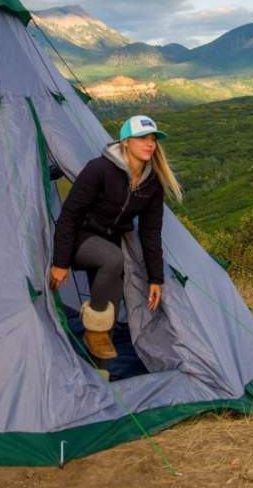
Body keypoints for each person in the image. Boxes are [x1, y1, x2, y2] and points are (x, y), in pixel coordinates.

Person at [49, 115, 183, 361]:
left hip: (110, 242)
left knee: (111, 298)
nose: (150, 143)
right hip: (80, 237)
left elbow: (150, 232)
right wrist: (60, 262)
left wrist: (156, 278)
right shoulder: (99, 169)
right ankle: (97, 335)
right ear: (125, 142)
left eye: (153, 139)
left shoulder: (152, 183)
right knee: (113, 259)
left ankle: (99, 367)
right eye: (142, 138)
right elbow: (69, 216)